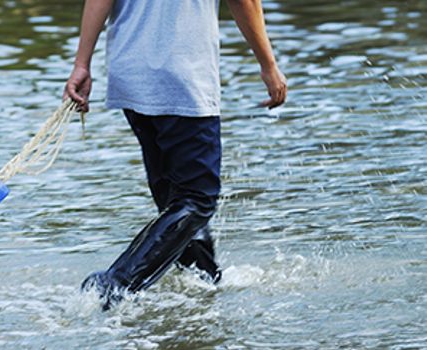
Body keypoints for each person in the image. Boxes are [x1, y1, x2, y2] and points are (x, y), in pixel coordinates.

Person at [64, 0, 287, 310]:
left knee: (176, 201)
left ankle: (205, 284)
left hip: (130, 73)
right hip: (183, 78)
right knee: (197, 199)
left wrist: (82, 64)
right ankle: (117, 283)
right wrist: (269, 65)